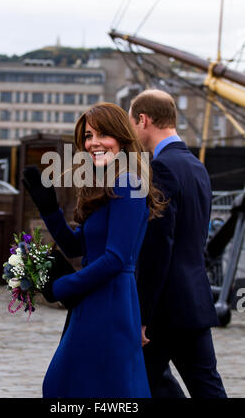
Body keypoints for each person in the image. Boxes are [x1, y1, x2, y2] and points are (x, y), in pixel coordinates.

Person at [22, 102, 165, 398]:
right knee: (73, 386)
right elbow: (77, 246)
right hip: (94, 299)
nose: (93, 143)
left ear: (122, 139)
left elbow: (115, 259)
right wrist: (49, 210)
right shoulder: (106, 183)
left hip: (110, 302)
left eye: (103, 134)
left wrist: (62, 287)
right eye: (88, 136)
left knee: (88, 387)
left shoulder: (128, 183)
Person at [129, 89, 227, 398]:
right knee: (206, 387)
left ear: (144, 120)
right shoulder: (197, 167)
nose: (132, 130)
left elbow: (159, 247)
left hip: (164, 307)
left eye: (132, 122)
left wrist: (142, 315)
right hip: (194, 299)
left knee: (139, 384)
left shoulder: (162, 168)